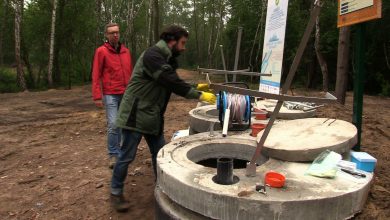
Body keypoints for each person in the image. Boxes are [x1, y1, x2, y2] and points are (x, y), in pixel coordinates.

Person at [110, 25, 216, 212]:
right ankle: (115, 192)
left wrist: (198, 86)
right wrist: (199, 95)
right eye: (182, 43)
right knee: (127, 156)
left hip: (151, 115)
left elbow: (172, 79)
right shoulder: (153, 55)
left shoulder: (166, 59)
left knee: (160, 154)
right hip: (134, 114)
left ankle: (163, 187)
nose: (184, 48)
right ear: (172, 41)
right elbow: (169, 81)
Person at [92, 23, 133, 169]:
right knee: (113, 124)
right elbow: (96, 74)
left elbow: (131, 73)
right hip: (110, 94)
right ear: (107, 35)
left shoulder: (126, 52)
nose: (115, 35)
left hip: (126, 93)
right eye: (111, 33)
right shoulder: (101, 51)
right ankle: (113, 155)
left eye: (117, 32)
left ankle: (121, 150)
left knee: (122, 123)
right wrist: (97, 95)